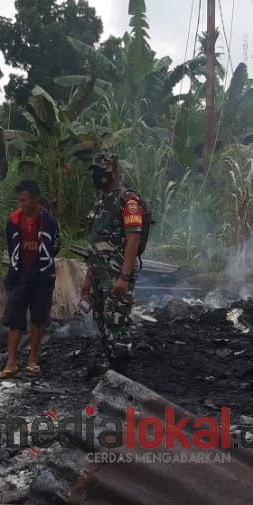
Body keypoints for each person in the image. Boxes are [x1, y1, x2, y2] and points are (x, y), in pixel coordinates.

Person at [79, 153, 145, 369]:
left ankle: (122, 380)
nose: (96, 176)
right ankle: (112, 373)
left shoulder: (128, 200)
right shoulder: (101, 203)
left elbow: (134, 238)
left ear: (113, 171)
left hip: (116, 276)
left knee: (117, 325)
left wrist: (124, 278)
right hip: (99, 276)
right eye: (95, 172)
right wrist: (88, 282)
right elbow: (95, 246)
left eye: (101, 172)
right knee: (103, 324)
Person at [0, 180, 61, 378]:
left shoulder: (49, 221)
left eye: (24, 200)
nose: (21, 204)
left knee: (38, 318)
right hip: (20, 275)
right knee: (14, 318)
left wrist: (42, 263)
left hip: (42, 275)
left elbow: (56, 245)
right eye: (19, 201)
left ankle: (32, 360)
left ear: (35, 200)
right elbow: (11, 247)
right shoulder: (13, 221)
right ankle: (11, 362)